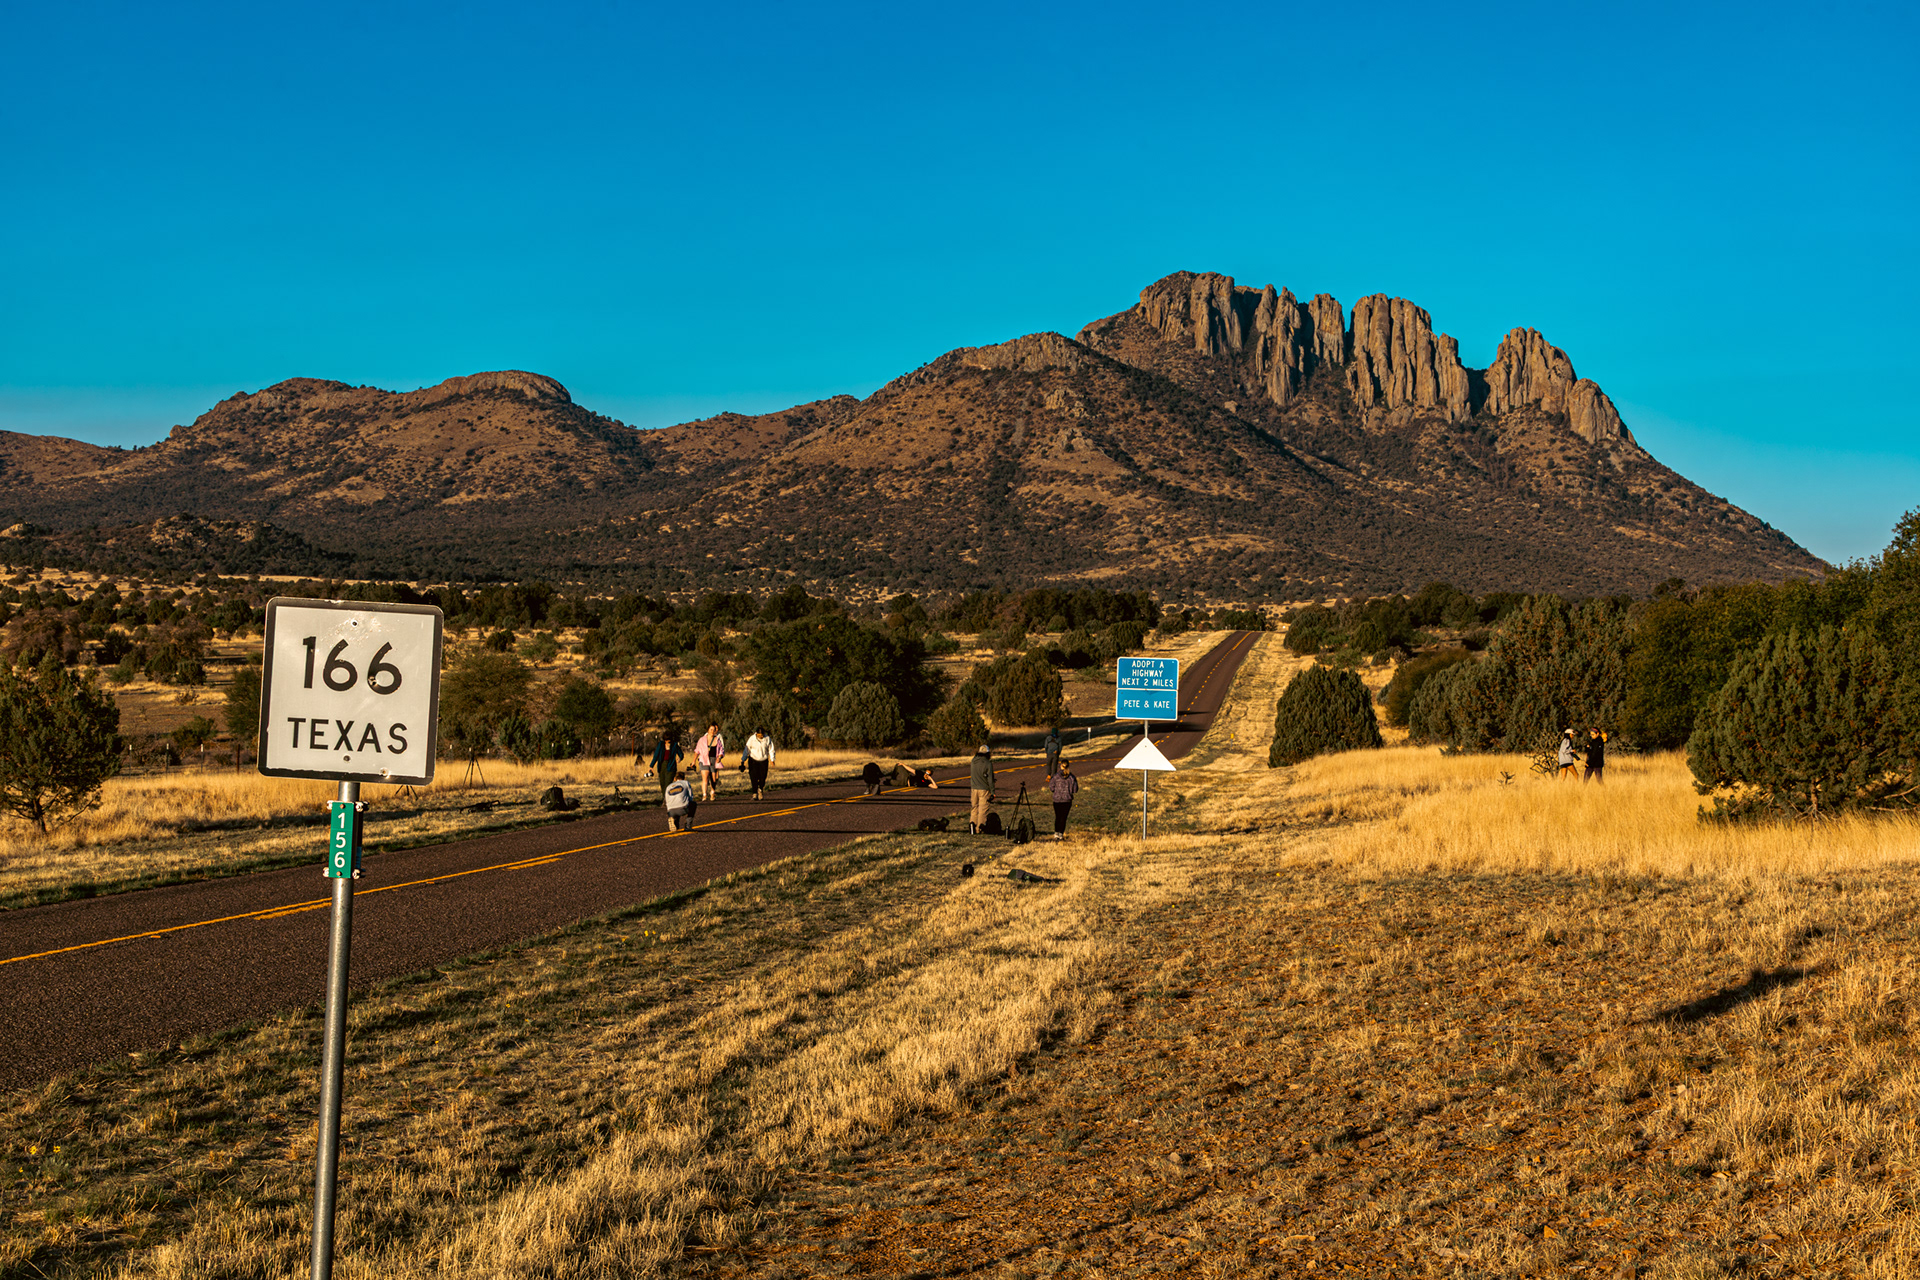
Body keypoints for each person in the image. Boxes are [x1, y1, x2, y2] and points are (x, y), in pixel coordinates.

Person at [647, 731, 683, 806]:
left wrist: (679, 759)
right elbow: (656, 756)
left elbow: (681, 754)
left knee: (668, 784)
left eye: (669, 740)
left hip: (671, 766)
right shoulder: (660, 745)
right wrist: (651, 766)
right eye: (666, 740)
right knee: (662, 784)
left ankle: (667, 801)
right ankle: (666, 799)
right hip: (662, 765)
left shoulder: (675, 745)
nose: (667, 742)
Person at [742, 727, 776, 800]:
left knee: (763, 777)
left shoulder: (767, 738)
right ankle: (754, 793)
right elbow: (746, 749)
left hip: (763, 760)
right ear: (756, 733)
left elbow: (771, 749)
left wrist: (772, 759)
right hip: (753, 760)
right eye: (760, 734)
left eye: (762, 734)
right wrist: (743, 759)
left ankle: (760, 789)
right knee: (753, 777)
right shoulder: (751, 739)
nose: (761, 736)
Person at [1049, 757, 1079, 841]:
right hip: (1067, 800)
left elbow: (1051, 787)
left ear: (1061, 766)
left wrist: (1056, 791)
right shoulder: (1072, 777)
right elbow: (1075, 789)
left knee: (1057, 816)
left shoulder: (1056, 776)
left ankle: (1056, 833)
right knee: (1063, 817)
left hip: (1057, 800)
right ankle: (1061, 834)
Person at [695, 723, 726, 801]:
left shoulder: (718, 739)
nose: (713, 731)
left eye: (714, 730)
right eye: (711, 729)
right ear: (708, 730)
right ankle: (704, 795)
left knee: (713, 779)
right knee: (705, 778)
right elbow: (697, 750)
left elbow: (721, 750)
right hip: (704, 759)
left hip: (714, 760)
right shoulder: (702, 739)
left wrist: (720, 756)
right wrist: (693, 761)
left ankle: (712, 792)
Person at [969, 743, 995, 833]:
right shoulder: (988, 763)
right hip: (984, 789)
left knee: (974, 808)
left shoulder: (973, 761)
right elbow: (990, 779)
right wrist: (993, 792)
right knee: (982, 810)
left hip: (973, 789)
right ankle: (979, 828)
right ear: (988, 753)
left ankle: (972, 825)